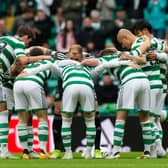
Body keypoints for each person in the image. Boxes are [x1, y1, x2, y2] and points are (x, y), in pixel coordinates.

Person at [0, 25, 52, 159]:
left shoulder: (3, 39)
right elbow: (22, 60)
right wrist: (42, 58)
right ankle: (4, 150)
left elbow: (11, 67)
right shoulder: (18, 43)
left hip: (8, 81)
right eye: (27, 42)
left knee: (19, 113)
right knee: (4, 112)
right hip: (4, 82)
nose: (26, 45)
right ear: (25, 37)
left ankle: (28, 150)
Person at [117, 28, 167, 158]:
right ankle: (155, 150)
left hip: (150, 83)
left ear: (125, 38)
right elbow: (164, 46)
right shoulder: (150, 41)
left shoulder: (137, 44)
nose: (123, 46)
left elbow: (142, 60)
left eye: (122, 43)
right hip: (158, 83)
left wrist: (129, 56)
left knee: (149, 119)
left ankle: (157, 150)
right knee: (154, 118)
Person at [132, 20, 168, 157]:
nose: (138, 36)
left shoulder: (159, 43)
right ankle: (157, 148)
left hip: (159, 83)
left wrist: (158, 55)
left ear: (145, 30)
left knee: (153, 117)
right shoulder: (147, 44)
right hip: (155, 82)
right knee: (156, 118)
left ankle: (156, 148)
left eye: (139, 33)